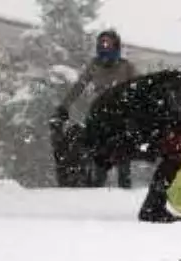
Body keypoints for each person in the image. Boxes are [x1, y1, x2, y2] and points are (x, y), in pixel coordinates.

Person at [81, 61, 181, 193]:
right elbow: (167, 102)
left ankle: (98, 163)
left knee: (177, 144)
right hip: (112, 118)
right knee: (178, 147)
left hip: (107, 115)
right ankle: (154, 206)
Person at [55, 30, 139, 189]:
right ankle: (96, 193)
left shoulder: (126, 67)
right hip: (101, 117)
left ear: (116, 46)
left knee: (123, 163)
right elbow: (79, 86)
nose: (104, 48)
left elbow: (140, 89)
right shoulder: (94, 65)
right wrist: (64, 106)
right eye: (101, 44)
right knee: (100, 161)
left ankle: (124, 192)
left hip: (122, 119)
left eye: (108, 44)